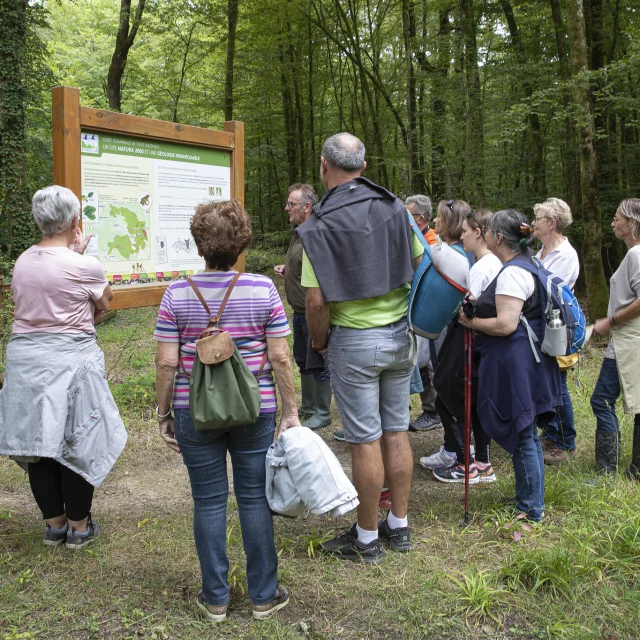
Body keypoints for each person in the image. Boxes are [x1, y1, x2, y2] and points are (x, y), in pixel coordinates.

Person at [154, 200, 299, 621]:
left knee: (209, 501)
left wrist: (164, 412)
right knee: (255, 499)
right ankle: (263, 596)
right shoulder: (262, 288)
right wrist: (289, 410)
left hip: (193, 411)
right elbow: (281, 357)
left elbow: (166, 362)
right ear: (241, 244)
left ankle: (215, 598)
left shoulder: (176, 293)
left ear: (200, 245)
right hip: (256, 409)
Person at [298, 133, 424, 563]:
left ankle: (367, 537)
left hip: (354, 342)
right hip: (400, 337)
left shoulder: (317, 226)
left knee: (365, 439)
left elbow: (316, 301)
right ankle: (400, 526)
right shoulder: (395, 208)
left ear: (323, 166)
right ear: (364, 167)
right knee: (396, 430)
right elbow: (420, 264)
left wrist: (318, 340)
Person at [0, 185, 126, 549]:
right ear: (75, 220)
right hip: (72, 361)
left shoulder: (22, 261)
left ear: (38, 221)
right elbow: (106, 301)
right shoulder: (84, 265)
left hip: (26, 361)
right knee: (78, 439)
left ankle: (54, 527)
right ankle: (80, 528)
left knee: (39, 442)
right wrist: (80, 258)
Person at [458, 209, 562, 522]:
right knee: (525, 432)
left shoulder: (513, 272)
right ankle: (528, 499)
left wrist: (471, 321)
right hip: (529, 359)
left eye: (487, 230)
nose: (484, 233)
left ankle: (531, 509)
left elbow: (506, 324)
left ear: (499, 237)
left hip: (520, 363)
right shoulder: (529, 262)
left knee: (524, 432)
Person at [430, 208, 502, 484]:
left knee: (449, 397)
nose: (462, 235)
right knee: (476, 400)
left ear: (479, 233)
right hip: (482, 345)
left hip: (469, 342)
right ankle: (482, 462)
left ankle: (465, 462)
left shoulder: (484, 267)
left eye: (467, 230)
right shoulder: (494, 263)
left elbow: (469, 309)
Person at [418, 199, 476, 471]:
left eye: (439, 219)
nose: (434, 223)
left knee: (447, 388)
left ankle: (457, 449)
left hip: (449, 327)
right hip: (446, 326)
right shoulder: (459, 250)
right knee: (446, 387)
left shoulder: (455, 255)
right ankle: (453, 446)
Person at [274, 183, 332, 431]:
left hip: (313, 310)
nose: (287, 208)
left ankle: (322, 411)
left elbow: (322, 274)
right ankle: (308, 407)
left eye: (291, 204)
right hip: (299, 311)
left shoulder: (316, 234)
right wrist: (288, 271)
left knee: (317, 360)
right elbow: (306, 268)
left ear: (307, 207)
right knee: (302, 359)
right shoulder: (299, 232)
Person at [590, 198, 640, 476]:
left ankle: (607, 469)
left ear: (632, 223)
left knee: (601, 399)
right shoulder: (634, 254)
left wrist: (610, 321)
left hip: (629, 337)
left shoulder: (636, 255)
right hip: (627, 336)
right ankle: (636, 468)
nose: (613, 221)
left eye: (617, 217)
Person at [532, 197, 580, 465]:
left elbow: (547, 288)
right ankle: (552, 434)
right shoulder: (541, 251)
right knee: (549, 381)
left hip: (557, 327)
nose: (533, 223)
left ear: (552, 223)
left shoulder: (565, 255)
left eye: (538, 219)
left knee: (558, 384)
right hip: (543, 324)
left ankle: (566, 442)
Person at [404, 194, 441, 433]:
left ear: (419, 219)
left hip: (428, 310)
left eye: (408, 215)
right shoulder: (414, 238)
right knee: (416, 360)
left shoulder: (431, 241)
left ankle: (433, 411)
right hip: (416, 308)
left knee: (427, 362)